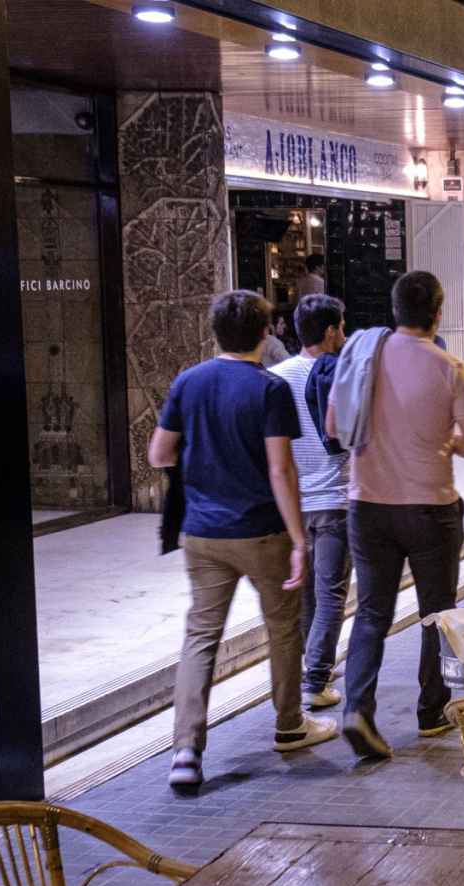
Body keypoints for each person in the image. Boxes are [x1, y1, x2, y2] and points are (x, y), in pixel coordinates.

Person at [148, 290, 338, 792]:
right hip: (261, 532)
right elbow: (281, 470)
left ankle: (186, 751)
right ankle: (289, 725)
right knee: (282, 627)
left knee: (200, 637)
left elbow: (158, 455)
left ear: (216, 333)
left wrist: (203, 458)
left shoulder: (188, 382)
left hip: (202, 535)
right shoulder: (269, 388)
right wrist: (299, 538)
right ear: (265, 332)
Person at [328, 271, 464, 760]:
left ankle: (357, 708)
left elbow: (336, 427)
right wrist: (445, 440)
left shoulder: (360, 359)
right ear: (437, 312)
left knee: (372, 612)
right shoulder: (450, 368)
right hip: (428, 508)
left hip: (367, 505)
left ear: (393, 310)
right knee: (435, 612)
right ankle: (430, 710)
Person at [269, 294, 351, 710]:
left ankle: (312, 664)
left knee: (308, 595)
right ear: (330, 331)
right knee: (332, 593)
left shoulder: (275, 377)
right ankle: (316, 680)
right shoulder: (341, 375)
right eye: (341, 326)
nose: (345, 333)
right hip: (335, 500)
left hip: (293, 505)